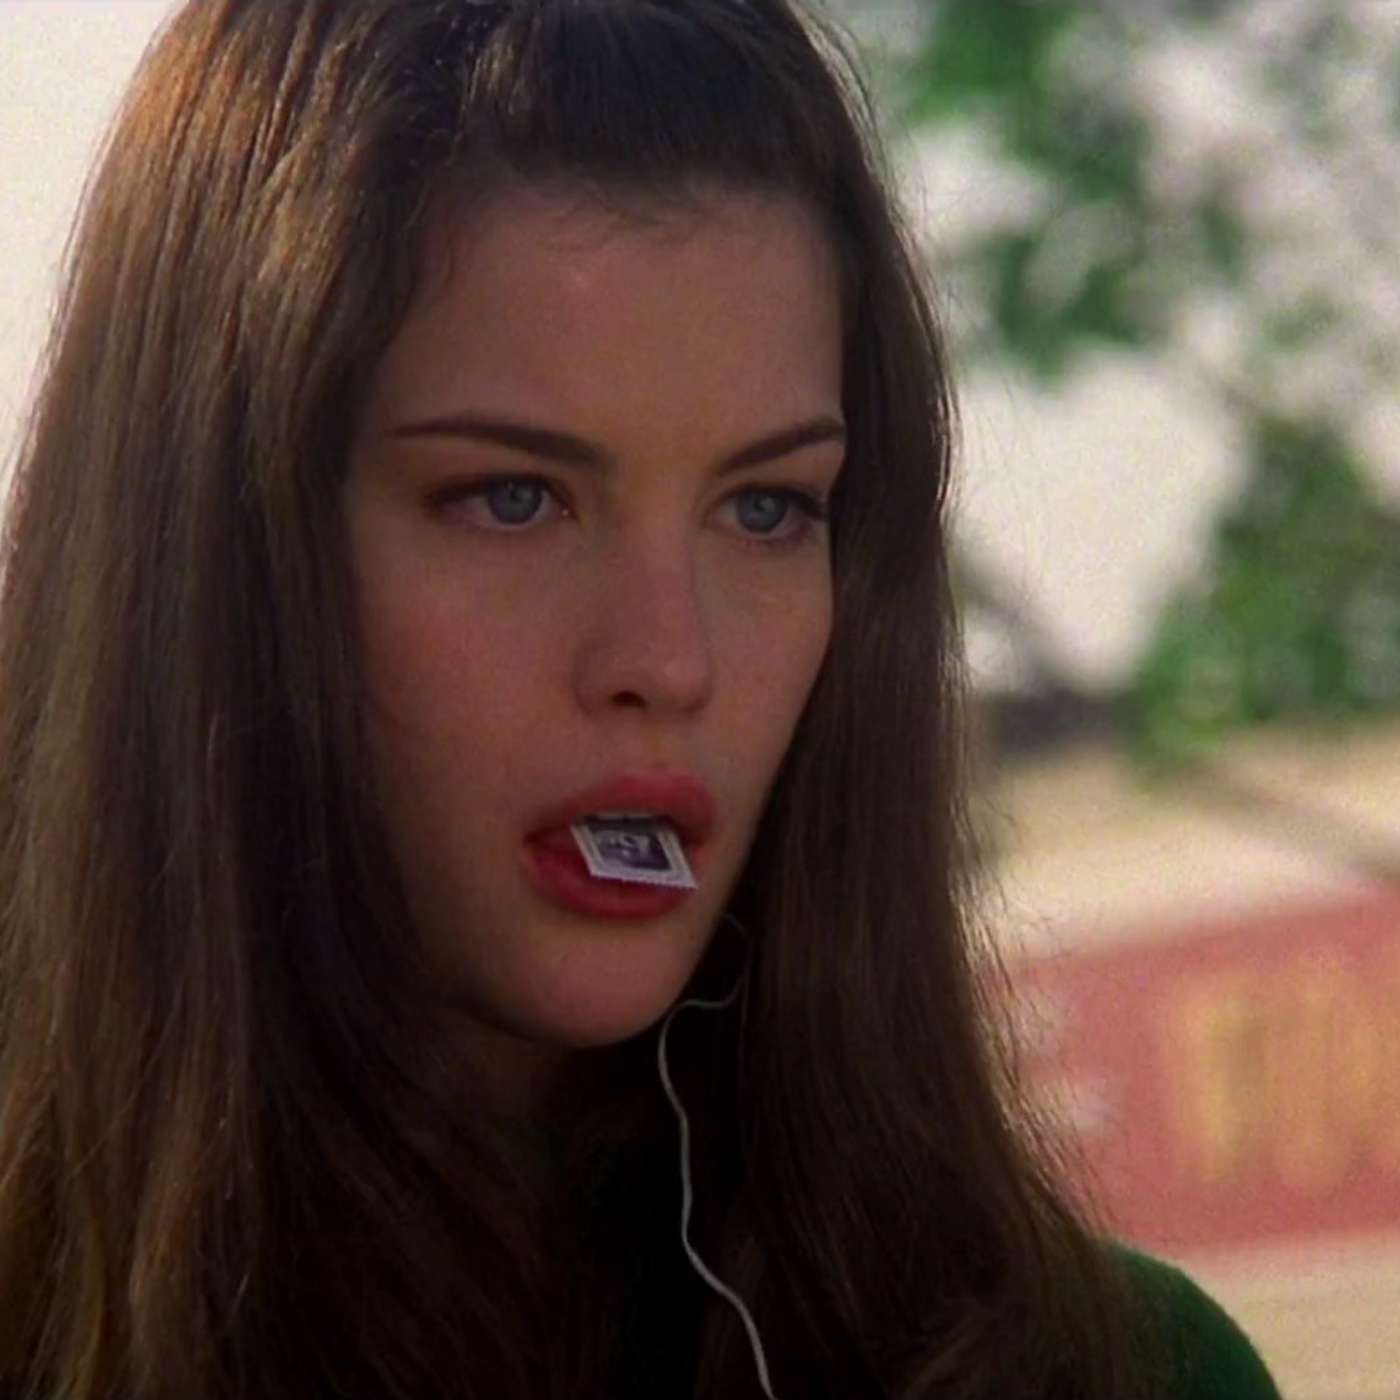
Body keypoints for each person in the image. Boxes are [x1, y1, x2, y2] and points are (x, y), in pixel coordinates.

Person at [0, 2, 1282, 1397]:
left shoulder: (1107, 1371)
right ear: (215, 546)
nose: (670, 662)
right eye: (512, 498)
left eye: (767, 509)